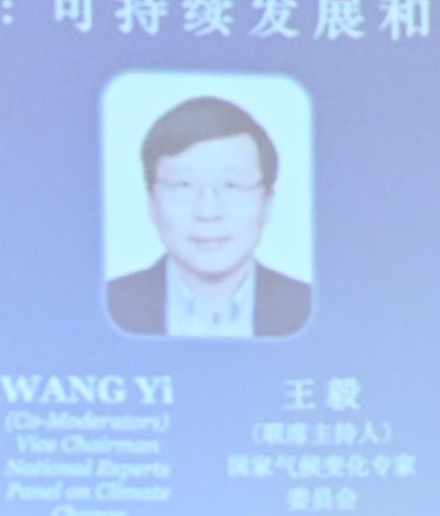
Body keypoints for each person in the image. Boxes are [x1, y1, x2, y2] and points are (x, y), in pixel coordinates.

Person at [107, 94, 311, 336]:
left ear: (268, 203)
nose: (208, 212)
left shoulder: (311, 308)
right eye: (184, 185)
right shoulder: (107, 305)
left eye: (231, 185)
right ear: (151, 201)